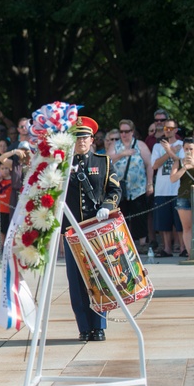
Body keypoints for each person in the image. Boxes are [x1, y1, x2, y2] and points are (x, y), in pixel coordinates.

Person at [63, 117, 121, 342]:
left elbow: (115, 190)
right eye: (77, 137)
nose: (81, 141)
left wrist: (107, 207)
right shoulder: (63, 165)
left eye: (85, 137)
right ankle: (84, 326)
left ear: (92, 139)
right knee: (76, 281)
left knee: (99, 277)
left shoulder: (103, 162)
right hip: (72, 231)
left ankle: (99, 325)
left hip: (96, 230)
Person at [109, 119, 153, 248]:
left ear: (132, 131)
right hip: (120, 187)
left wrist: (150, 183)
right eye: (121, 131)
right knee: (121, 215)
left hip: (138, 187)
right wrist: (122, 154)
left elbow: (149, 164)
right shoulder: (115, 146)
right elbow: (108, 160)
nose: (124, 134)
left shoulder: (140, 145)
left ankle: (142, 243)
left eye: (126, 131)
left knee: (139, 215)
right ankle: (123, 244)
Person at [151, 119, 184, 257]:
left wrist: (170, 151)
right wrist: (168, 152)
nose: (168, 130)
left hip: (178, 188)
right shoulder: (157, 147)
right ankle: (167, 248)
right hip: (162, 189)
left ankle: (184, 248)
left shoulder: (182, 145)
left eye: (171, 128)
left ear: (176, 130)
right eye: (166, 128)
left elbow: (181, 162)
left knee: (180, 222)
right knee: (164, 222)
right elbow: (155, 165)